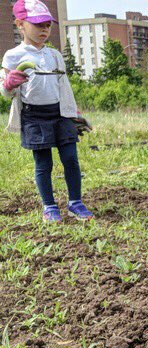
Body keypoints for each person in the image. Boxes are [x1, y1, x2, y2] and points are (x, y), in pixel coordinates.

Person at [1, 0, 92, 223]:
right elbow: (6, 93)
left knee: (71, 159)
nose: (44, 30)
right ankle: (49, 207)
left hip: (60, 114)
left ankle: (75, 203)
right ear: (20, 24)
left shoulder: (55, 55)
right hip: (34, 116)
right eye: (38, 24)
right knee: (44, 164)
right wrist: (9, 83)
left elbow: (64, 87)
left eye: (48, 25)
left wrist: (73, 113)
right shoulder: (13, 56)